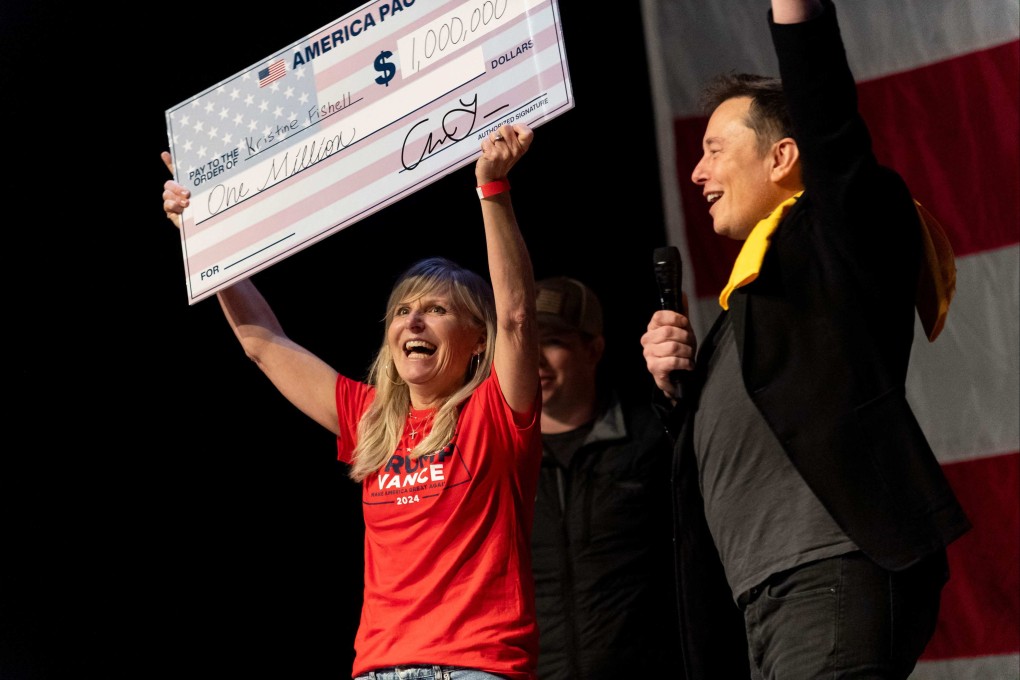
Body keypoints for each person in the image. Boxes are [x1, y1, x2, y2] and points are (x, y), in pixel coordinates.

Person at [639, 1, 972, 679]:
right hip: (762, 600)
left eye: (713, 149)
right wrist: (679, 397)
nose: (697, 173)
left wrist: (796, 14)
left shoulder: (840, 240)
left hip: (830, 570)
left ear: (784, 156)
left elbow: (828, 115)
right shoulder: (751, 307)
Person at [161, 123, 544, 680]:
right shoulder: (370, 418)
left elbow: (515, 316)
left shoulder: (495, 412)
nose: (413, 319)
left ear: (477, 338)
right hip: (378, 670)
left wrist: (493, 189)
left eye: (436, 309)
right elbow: (263, 344)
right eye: (402, 310)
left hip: (477, 667)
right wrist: (202, 239)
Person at [529, 277, 679, 679]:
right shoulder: (498, 462)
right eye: (523, 344)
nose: (535, 359)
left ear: (593, 348)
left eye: (552, 341)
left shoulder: (653, 438)